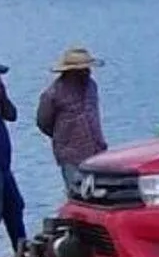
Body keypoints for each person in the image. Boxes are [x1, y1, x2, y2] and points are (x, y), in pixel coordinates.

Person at [36, 47, 108, 192]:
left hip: (97, 151)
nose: (87, 72)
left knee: (101, 195)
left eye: (87, 68)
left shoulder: (91, 86)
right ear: (70, 72)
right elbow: (43, 123)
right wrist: (64, 138)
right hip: (71, 156)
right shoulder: (52, 94)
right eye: (82, 69)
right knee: (78, 195)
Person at [0, 62, 25, 254]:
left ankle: (22, 253)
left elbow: (12, 114)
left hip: (3, 166)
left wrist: (2, 97)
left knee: (15, 207)